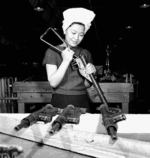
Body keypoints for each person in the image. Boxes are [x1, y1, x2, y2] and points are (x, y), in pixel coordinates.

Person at [42, 7, 96, 112]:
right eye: (73, 33)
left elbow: (86, 84)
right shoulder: (52, 51)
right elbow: (53, 82)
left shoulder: (85, 53)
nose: (76, 38)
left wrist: (89, 76)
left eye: (81, 35)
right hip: (60, 100)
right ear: (65, 30)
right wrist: (66, 61)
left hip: (82, 100)